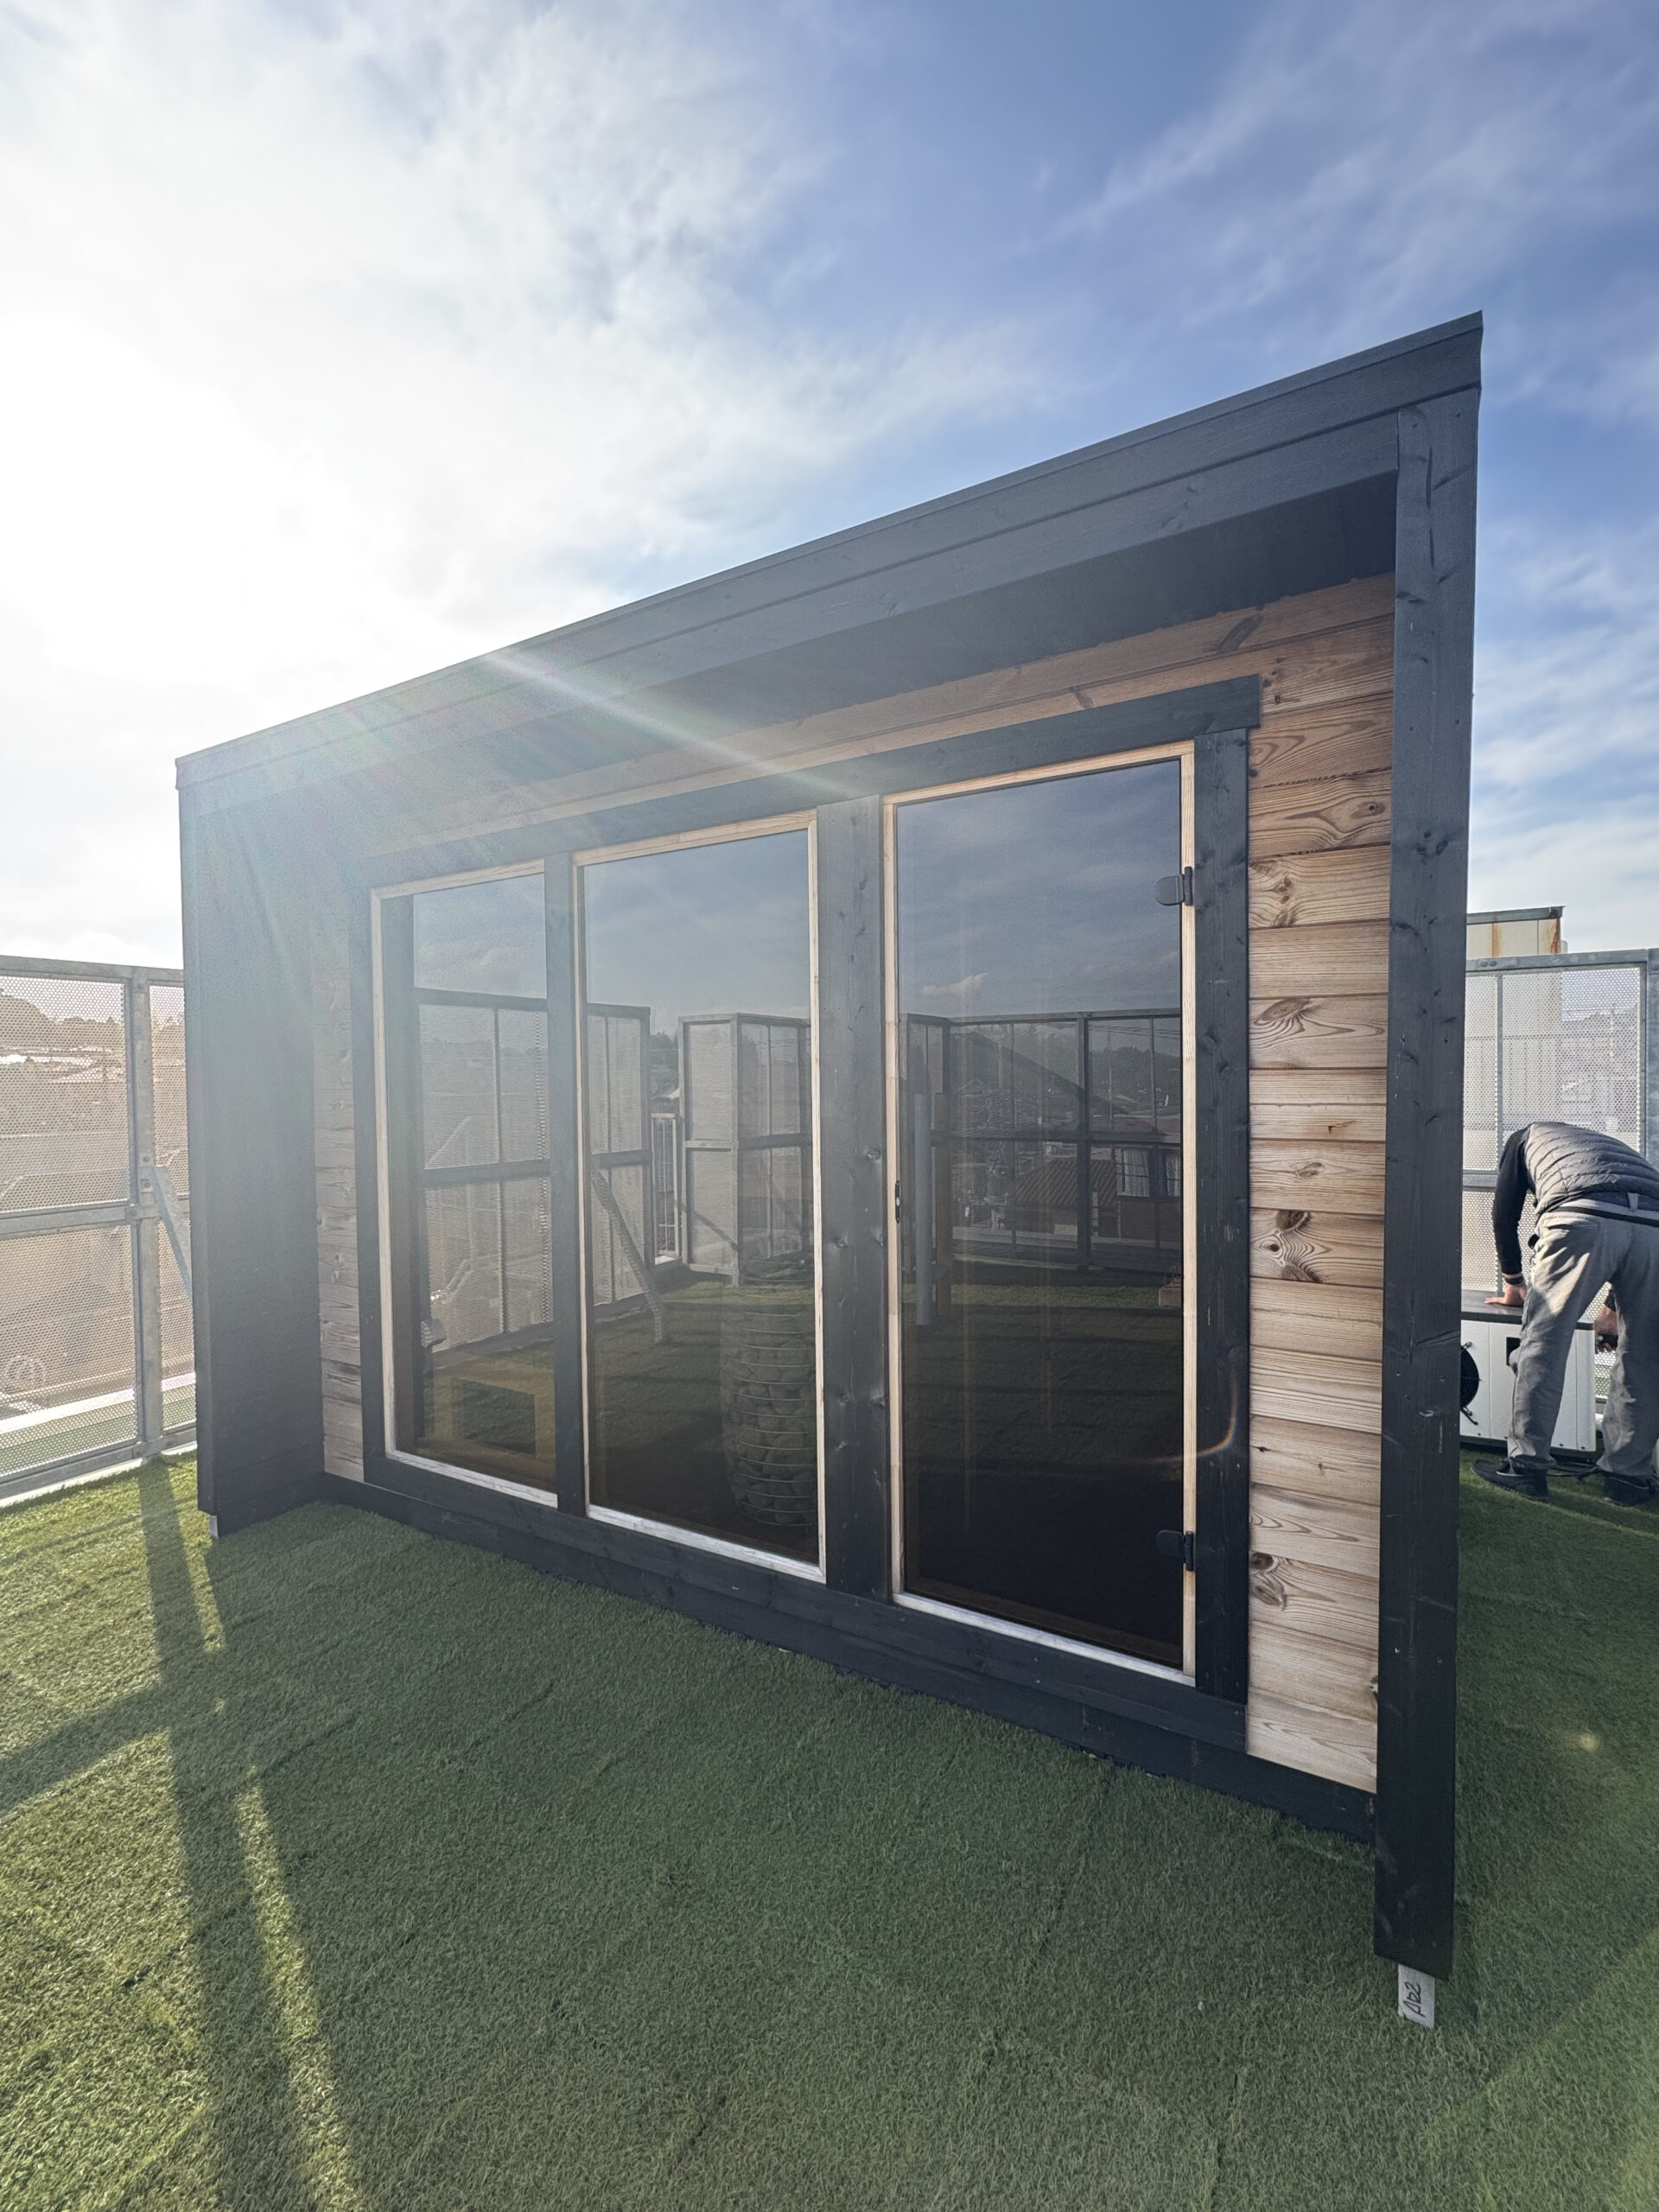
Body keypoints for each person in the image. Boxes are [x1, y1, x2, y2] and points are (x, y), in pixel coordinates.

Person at [1481, 1119, 1659, 1504]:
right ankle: (1628, 1479)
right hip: (1654, 1229)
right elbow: (1627, 1220)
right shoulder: (1610, 1151)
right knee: (1644, 1357)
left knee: (1544, 1344)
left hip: (1579, 1216)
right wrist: (1610, 1309)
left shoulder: (1523, 1139)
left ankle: (1526, 1467)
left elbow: (1504, 1214)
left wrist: (1513, 1282)